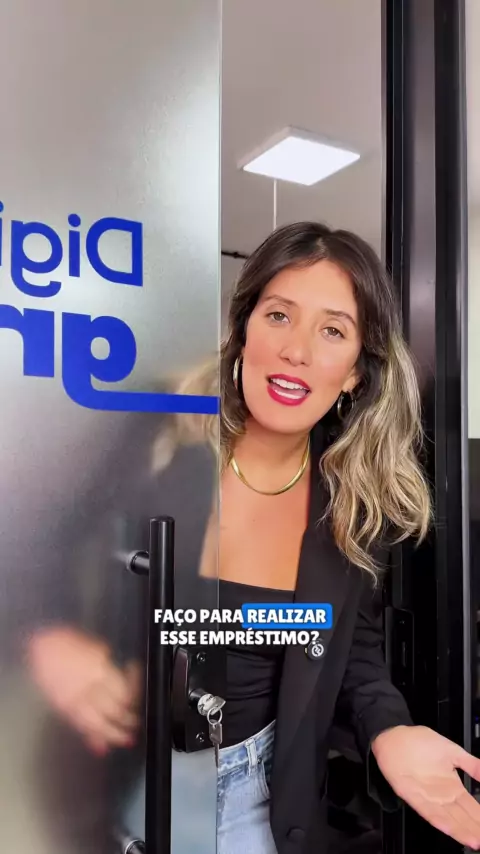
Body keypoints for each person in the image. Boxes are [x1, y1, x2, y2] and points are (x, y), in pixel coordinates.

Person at [26, 221, 480, 854]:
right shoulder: (155, 437)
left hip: (261, 801)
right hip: (128, 780)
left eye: (332, 331)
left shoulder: (352, 504)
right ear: (243, 330)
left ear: (355, 372)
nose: (297, 350)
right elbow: (31, 535)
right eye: (279, 315)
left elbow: (349, 647)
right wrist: (48, 637)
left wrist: (389, 730)